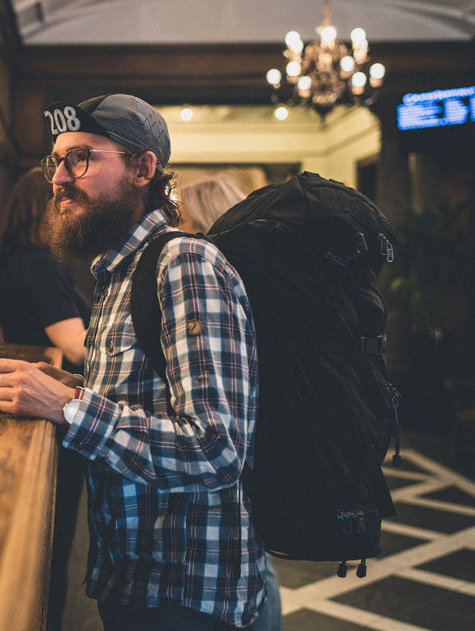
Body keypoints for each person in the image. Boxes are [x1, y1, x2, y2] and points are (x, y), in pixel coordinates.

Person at [0, 94, 265, 630]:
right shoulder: (120, 270)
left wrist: (70, 405)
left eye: (82, 157)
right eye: (57, 161)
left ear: (144, 168)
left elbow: (215, 448)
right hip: (137, 576)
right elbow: (151, 392)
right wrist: (71, 383)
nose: (59, 178)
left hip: (186, 591)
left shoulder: (185, 262)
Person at [179, 174, 282, 631]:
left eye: (182, 222)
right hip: (271, 447)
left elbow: (215, 438)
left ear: (204, 225)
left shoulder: (210, 278)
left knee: (246, 557)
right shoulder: (268, 279)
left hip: (244, 457)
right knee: (255, 560)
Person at [0, 166, 91, 631]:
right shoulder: (40, 263)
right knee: (53, 540)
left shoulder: (12, 260)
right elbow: (74, 344)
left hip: (31, 399)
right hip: (47, 405)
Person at [0, 166, 90, 370]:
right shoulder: (41, 266)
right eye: (63, 203)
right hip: (50, 386)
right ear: (46, 209)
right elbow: (77, 350)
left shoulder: (14, 260)